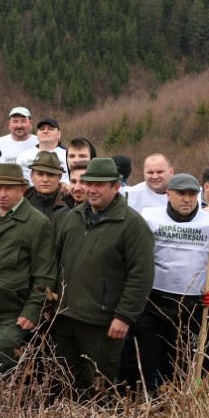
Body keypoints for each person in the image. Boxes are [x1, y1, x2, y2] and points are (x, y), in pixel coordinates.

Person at [53, 157, 156, 395]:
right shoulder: (74, 217)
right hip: (66, 318)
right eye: (89, 183)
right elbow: (57, 261)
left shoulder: (133, 225)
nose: (92, 189)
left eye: (100, 184)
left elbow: (141, 276)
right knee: (66, 382)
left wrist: (124, 316)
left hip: (102, 324)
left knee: (100, 387)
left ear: (116, 186)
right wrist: (53, 301)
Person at [128, 173, 209, 393]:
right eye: (181, 194)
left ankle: (180, 399)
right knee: (147, 359)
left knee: (185, 361)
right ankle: (147, 399)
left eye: (192, 194)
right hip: (153, 304)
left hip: (192, 307)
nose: (187, 199)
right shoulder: (149, 219)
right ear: (168, 195)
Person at [0, 162, 56, 379]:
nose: (2, 194)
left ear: (22, 190)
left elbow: (44, 272)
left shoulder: (37, 223)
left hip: (14, 313)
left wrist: (32, 310)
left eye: (9, 188)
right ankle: (3, 408)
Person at [24, 150, 69, 216]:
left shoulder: (70, 202)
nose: (45, 179)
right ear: (31, 176)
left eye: (51, 174)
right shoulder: (20, 201)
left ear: (59, 177)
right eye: (40, 174)